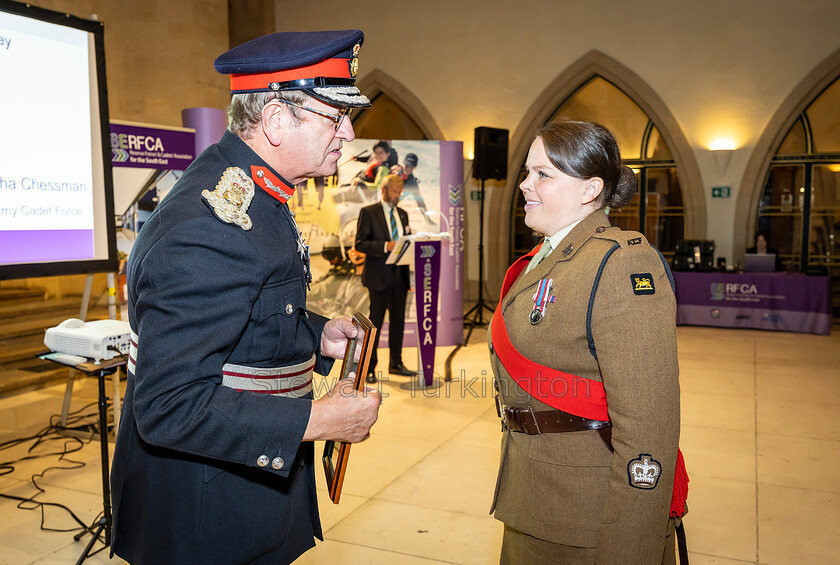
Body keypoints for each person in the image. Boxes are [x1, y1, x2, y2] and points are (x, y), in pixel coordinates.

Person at [109, 30, 382, 565]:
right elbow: (168, 407)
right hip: (205, 507)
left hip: (234, 483)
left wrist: (313, 333)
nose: (348, 133)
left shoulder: (253, 189)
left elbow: (251, 310)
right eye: (335, 116)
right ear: (278, 121)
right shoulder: (212, 225)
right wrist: (320, 421)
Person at [489, 120, 686, 564]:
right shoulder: (546, 256)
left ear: (589, 189)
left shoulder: (622, 263)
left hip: (588, 519)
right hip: (531, 496)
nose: (524, 185)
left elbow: (648, 426)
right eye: (527, 172)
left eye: (543, 174)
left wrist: (630, 549)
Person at [354, 174, 417, 383]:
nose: (397, 196)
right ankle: (369, 368)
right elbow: (360, 244)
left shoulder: (403, 214)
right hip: (379, 278)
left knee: (398, 321)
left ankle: (396, 363)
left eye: (400, 192)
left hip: (400, 277)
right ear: (384, 190)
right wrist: (384, 246)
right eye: (394, 191)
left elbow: (406, 241)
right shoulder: (369, 212)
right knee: (376, 324)